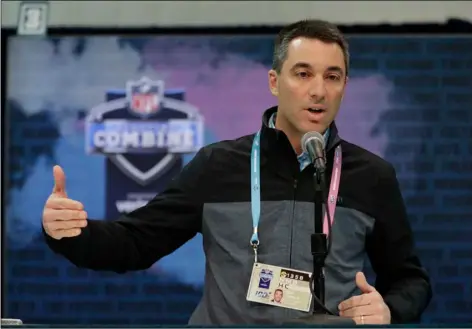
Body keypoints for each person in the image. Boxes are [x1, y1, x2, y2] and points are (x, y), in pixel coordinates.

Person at [42, 19, 432, 325]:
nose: (318, 90)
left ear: (345, 85)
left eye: (332, 76)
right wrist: (69, 233)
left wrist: (389, 310)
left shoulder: (372, 176)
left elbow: (410, 281)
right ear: (274, 82)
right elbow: (135, 244)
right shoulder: (218, 166)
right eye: (303, 73)